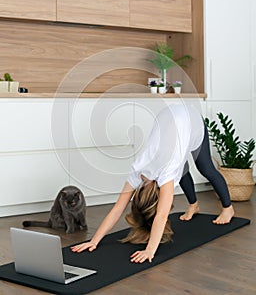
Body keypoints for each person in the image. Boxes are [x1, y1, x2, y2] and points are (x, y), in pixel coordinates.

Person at [71, 103, 234, 263]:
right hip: (170, 119)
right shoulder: (138, 172)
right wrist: (94, 241)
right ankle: (194, 206)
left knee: (205, 167)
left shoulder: (163, 174)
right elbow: (117, 210)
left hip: (190, 119)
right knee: (180, 168)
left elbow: (161, 215)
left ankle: (228, 209)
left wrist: (150, 250)